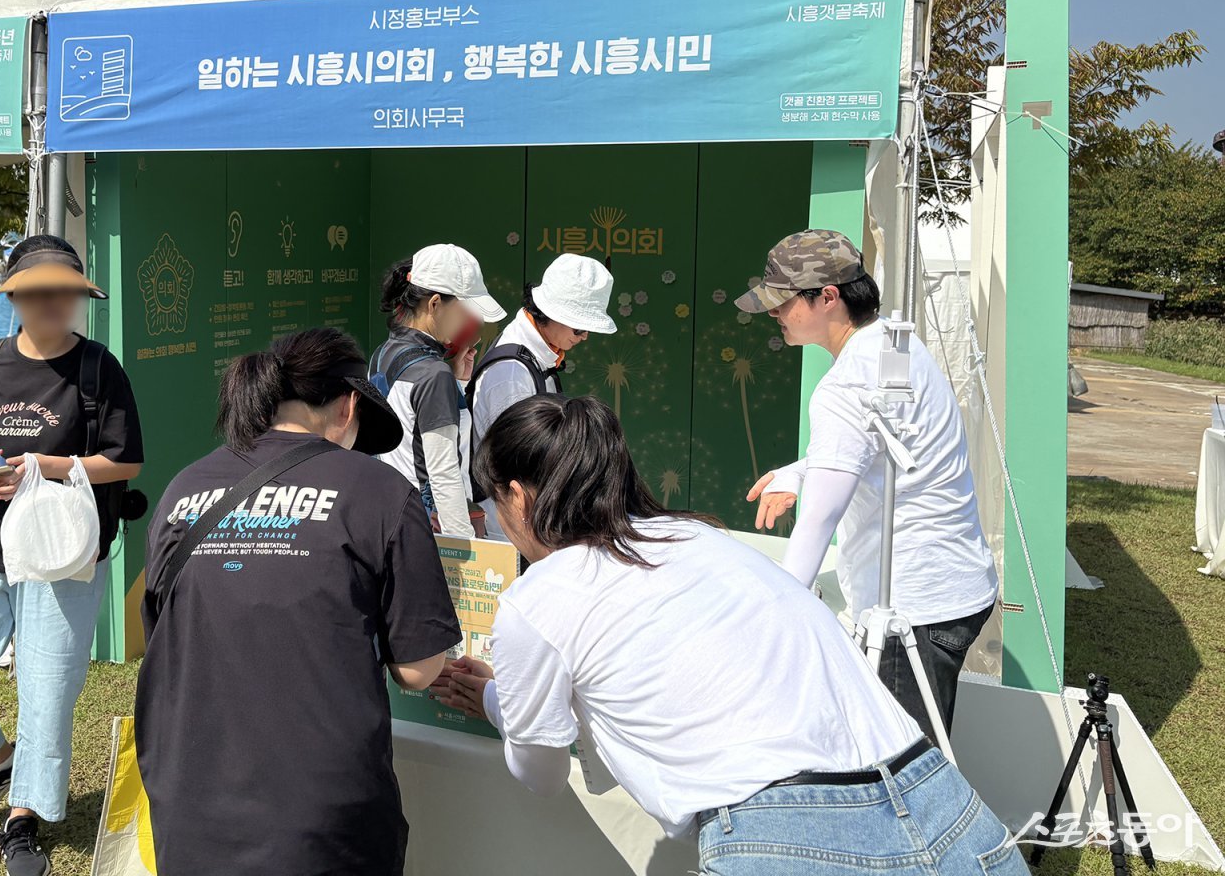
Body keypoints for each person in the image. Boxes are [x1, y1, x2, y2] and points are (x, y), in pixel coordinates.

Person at [436, 395, 1027, 876]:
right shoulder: (703, 539)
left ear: (517, 494)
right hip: (946, 808)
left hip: (787, 839)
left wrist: (499, 700)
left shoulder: (539, 598)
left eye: (493, 502)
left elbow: (540, 775)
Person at [135, 327, 462, 876]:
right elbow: (417, 668)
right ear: (349, 405)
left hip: (187, 804)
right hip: (322, 821)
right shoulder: (381, 494)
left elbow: (164, 628)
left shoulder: (183, 488)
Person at [0, 235, 144, 876]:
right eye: (37, 292)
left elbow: (126, 459)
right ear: (15, 295)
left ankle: (23, 818)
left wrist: (45, 467)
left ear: (79, 297)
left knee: (47, 693)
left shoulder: (100, 370)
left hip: (62, 555)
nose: (52, 303)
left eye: (65, 292)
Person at [737, 229, 998, 741]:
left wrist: (781, 613)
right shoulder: (896, 347)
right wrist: (801, 470)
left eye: (781, 303)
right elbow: (886, 444)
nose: (773, 315)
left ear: (827, 297)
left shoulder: (845, 384)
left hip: (911, 611)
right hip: (955, 587)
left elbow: (818, 520)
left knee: (904, 772)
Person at [467, 253, 616, 537]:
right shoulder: (511, 372)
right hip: (513, 525)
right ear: (553, 315)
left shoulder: (535, 356)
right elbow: (515, 461)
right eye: (580, 328)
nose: (584, 337)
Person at [370, 243, 506, 538]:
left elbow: (407, 436)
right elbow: (443, 475)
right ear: (434, 304)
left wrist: (457, 383)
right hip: (430, 531)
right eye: (466, 311)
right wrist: (466, 551)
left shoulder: (383, 354)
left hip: (391, 519)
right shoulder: (434, 374)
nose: (474, 321)